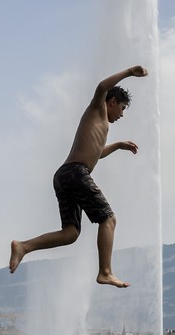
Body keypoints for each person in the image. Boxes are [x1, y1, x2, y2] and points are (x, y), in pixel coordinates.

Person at [9, 65, 149, 288]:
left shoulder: (102, 125)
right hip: (75, 173)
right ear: (111, 102)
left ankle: (23, 246)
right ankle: (105, 272)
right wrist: (130, 72)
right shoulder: (98, 109)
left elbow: (96, 153)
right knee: (109, 219)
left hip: (66, 175)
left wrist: (118, 145)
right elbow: (102, 86)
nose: (121, 114)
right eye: (122, 108)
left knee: (71, 233)